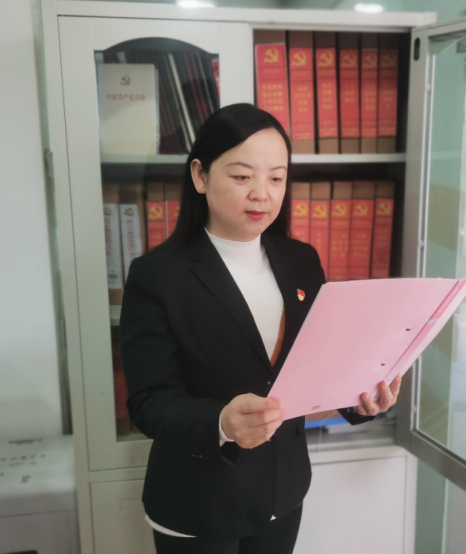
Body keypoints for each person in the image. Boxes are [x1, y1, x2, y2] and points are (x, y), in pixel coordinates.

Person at [120, 103, 402, 554]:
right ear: (200, 176)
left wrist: (362, 401)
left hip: (282, 492)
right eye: (241, 176)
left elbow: (322, 365)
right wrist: (221, 422)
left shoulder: (301, 261)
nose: (262, 194)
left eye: (276, 178)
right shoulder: (157, 275)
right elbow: (148, 402)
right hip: (199, 501)